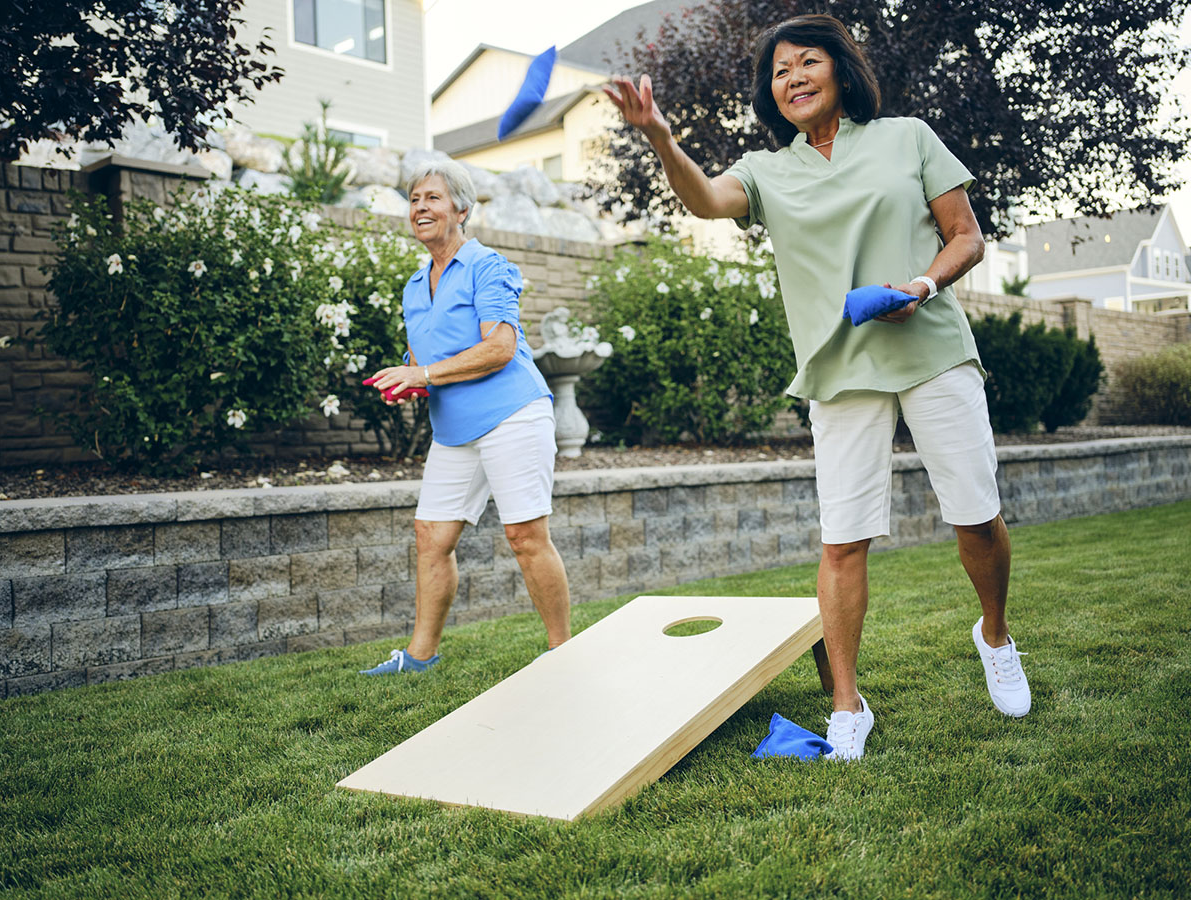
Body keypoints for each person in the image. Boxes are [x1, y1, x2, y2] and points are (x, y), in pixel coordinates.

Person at [604, 14, 1030, 759]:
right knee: (842, 543)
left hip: (930, 348)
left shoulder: (908, 137)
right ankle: (846, 704)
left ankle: (994, 633)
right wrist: (660, 138)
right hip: (840, 370)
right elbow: (704, 200)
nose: (793, 77)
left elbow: (966, 235)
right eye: (779, 71)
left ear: (839, 69)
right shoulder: (769, 171)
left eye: (806, 61)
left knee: (975, 515)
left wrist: (923, 285)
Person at [359, 160, 571, 675]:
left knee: (525, 537)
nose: (420, 208)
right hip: (454, 430)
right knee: (432, 538)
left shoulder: (487, 265)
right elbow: (422, 360)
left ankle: (564, 652)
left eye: (432, 198)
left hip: (512, 414)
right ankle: (419, 657)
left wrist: (424, 375)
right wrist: (406, 381)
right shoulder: (414, 284)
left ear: (461, 209)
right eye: (413, 199)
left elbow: (500, 347)